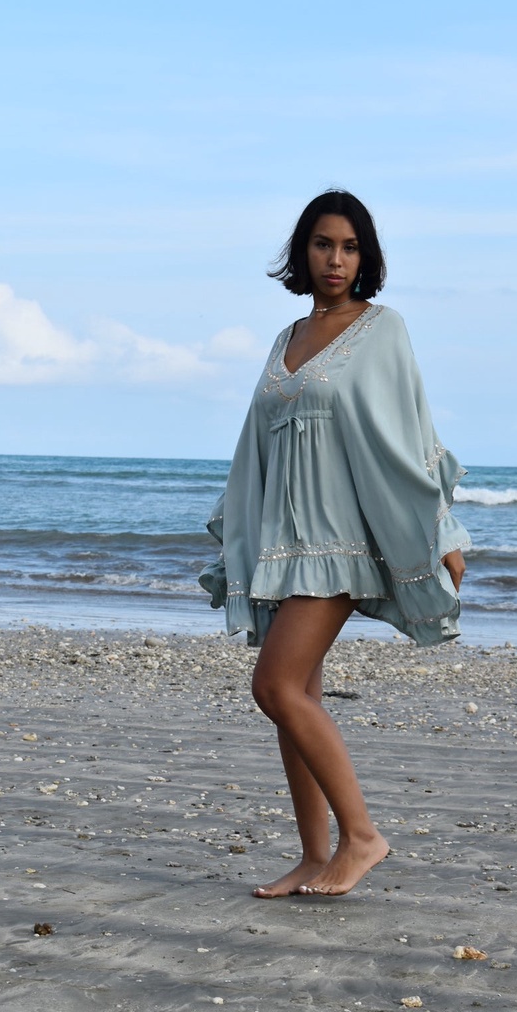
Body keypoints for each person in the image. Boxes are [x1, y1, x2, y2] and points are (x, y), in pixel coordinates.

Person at [199, 189, 470, 897]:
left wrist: (443, 529)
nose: (336, 260)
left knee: (274, 687)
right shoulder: (285, 338)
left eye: (350, 247)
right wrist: (240, 533)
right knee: (299, 696)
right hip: (283, 546)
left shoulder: (382, 329)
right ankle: (313, 855)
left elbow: (408, 433)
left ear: (365, 256)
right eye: (323, 244)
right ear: (303, 250)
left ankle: (363, 837)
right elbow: (258, 444)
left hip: (341, 543)